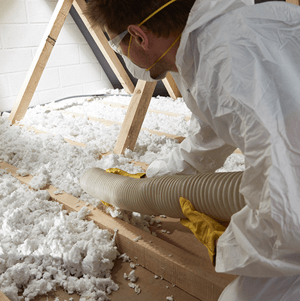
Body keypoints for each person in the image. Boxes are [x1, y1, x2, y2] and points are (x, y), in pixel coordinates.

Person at [85, 0, 300, 299]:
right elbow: (204, 142)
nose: (123, 53)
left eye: (118, 43)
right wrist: (152, 183)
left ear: (139, 36)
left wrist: (230, 243)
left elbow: (289, 207)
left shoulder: (226, 59)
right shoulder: (209, 48)